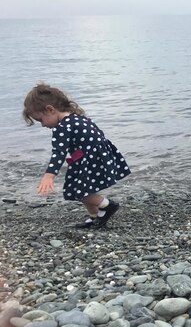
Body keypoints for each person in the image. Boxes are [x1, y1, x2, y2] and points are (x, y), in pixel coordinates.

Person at [23, 83, 131, 228]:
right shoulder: (78, 118)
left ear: (50, 109)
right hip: (95, 156)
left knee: (77, 191)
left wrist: (49, 175)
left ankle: (107, 206)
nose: (43, 125)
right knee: (84, 189)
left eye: (41, 120)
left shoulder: (62, 127)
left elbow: (59, 152)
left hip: (89, 159)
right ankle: (95, 217)